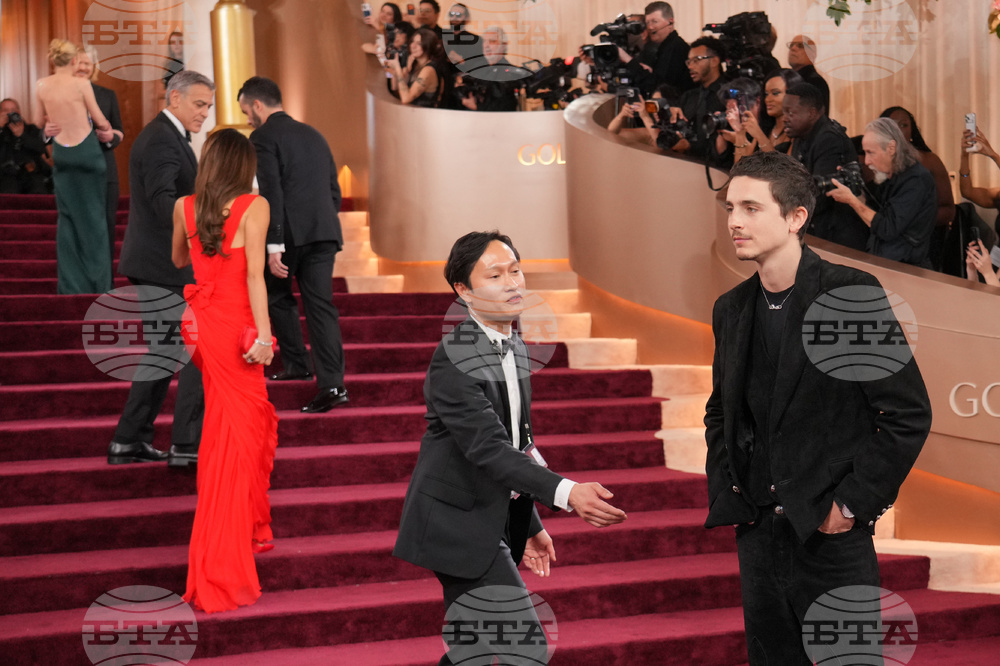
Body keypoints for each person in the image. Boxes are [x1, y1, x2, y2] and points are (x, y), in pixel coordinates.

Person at [706, 151, 931, 665]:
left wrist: (848, 507)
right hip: (758, 537)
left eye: (751, 208)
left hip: (830, 539)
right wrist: (732, 492)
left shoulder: (848, 294)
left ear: (796, 217)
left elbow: (906, 414)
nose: (735, 221)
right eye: (730, 208)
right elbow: (721, 413)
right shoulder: (731, 309)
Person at [393, 231, 628, 666]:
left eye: (516, 271)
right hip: (454, 525)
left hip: (490, 516)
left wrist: (531, 520)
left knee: (473, 654)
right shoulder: (455, 356)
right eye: (495, 275)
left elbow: (520, 444)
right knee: (527, 646)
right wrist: (566, 491)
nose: (512, 283)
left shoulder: (516, 345)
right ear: (463, 291)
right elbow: (489, 448)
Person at [171, 128, 279, 614]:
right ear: (244, 164)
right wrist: (264, 336)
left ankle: (227, 539)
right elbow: (255, 274)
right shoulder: (255, 206)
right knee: (240, 432)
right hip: (235, 325)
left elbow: (179, 258)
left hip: (199, 324)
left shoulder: (184, 207)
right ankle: (224, 559)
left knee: (227, 426)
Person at [112, 70, 214, 467]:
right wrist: (207, 228)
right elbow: (162, 202)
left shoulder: (166, 136)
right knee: (195, 348)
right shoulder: (161, 139)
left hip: (156, 262)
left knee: (166, 350)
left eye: (208, 106)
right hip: (164, 264)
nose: (204, 112)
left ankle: (128, 440)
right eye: (199, 104)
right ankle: (187, 445)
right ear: (174, 98)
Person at [237, 77, 349, 413]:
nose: (247, 119)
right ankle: (332, 384)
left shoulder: (262, 137)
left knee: (275, 294)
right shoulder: (314, 134)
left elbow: (271, 191)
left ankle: (298, 363)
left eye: (246, 111)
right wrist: (322, 221)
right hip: (324, 231)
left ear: (258, 105)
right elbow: (333, 190)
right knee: (321, 307)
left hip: (289, 236)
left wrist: (274, 245)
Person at [34, 38, 113, 294]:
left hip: (62, 153)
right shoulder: (81, 84)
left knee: (66, 220)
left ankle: (70, 287)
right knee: (94, 221)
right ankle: (98, 285)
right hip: (88, 154)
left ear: (53, 60)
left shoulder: (42, 84)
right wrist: (108, 130)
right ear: (75, 60)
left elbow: (38, 121)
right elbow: (100, 120)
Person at [45, 46, 124, 274]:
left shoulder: (107, 95)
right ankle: (78, 280)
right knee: (73, 228)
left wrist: (110, 137)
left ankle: (103, 281)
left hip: (105, 171)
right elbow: (46, 129)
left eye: (87, 63)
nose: (82, 67)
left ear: (94, 67)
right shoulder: (57, 94)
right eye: (78, 62)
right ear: (70, 64)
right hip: (72, 172)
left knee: (106, 227)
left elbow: (119, 131)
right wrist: (46, 133)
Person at [827, 117, 937, 268]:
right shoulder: (890, 176)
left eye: (870, 153)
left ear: (891, 148)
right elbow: (874, 212)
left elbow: (887, 228)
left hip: (907, 270)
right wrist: (853, 187)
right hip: (885, 263)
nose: (867, 161)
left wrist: (852, 200)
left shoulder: (916, 180)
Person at [783, 82, 869, 251]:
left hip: (839, 240)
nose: (784, 118)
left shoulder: (830, 140)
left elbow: (820, 196)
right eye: (784, 112)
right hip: (817, 230)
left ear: (811, 113)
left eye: (790, 113)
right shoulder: (801, 135)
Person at [881, 106, 955, 270]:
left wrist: (916, 222)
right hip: (884, 241)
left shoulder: (930, 161)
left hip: (922, 241)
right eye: (894, 125)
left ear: (912, 129)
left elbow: (949, 209)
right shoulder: (875, 160)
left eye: (904, 125)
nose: (899, 130)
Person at [664, 37, 727, 162]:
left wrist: (690, 146)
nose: (690, 66)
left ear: (714, 61)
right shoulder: (689, 96)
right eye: (689, 62)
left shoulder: (728, 95)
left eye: (696, 60)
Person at [619, 2, 693, 97]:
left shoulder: (676, 48)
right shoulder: (664, 47)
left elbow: (659, 87)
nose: (650, 27)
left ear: (670, 22)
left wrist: (629, 61)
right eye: (647, 23)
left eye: (655, 21)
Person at [458, 27, 523, 112]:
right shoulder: (476, 67)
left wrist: (477, 107)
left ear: (503, 46)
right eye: (484, 41)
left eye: (492, 41)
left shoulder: (510, 73)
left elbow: (506, 108)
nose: (486, 46)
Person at [742, 68, 802, 155]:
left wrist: (760, 136)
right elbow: (743, 162)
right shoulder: (766, 128)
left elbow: (784, 164)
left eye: (775, 93)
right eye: (766, 94)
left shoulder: (798, 132)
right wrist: (739, 133)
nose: (767, 99)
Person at [388, 27, 450, 107]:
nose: (413, 46)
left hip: (423, 113)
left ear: (428, 46)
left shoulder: (428, 70)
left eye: (419, 44)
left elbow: (406, 99)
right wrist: (405, 70)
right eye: (412, 42)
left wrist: (398, 68)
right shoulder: (415, 65)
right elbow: (395, 90)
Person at [0, 98, 51, 194]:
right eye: (6, 111)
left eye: (13, 110)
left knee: (38, 191)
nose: (10, 114)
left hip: (31, 173)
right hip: (6, 175)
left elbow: (40, 148)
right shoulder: (2, 132)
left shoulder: (31, 129)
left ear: (19, 112)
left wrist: (22, 135)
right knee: (9, 192)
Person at [714, 77, 762, 165]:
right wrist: (721, 130)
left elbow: (747, 167)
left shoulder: (765, 128)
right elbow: (721, 162)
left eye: (736, 108)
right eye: (729, 108)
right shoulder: (732, 125)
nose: (734, 114)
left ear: (757, 102)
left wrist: (739, 137)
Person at [787, 35, 829, 115]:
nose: (793, 48)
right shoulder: (788, 78)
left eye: (800, 46)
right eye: (791, 45)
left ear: (812, 54)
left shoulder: (815, 82)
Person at [442, 3, 482, 73]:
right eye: (451, 14)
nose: (454, 17)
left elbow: (479, 64)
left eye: (458, 15)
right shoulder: (441, 34)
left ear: (466, 17)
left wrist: (462, 61)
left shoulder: (476, 40)